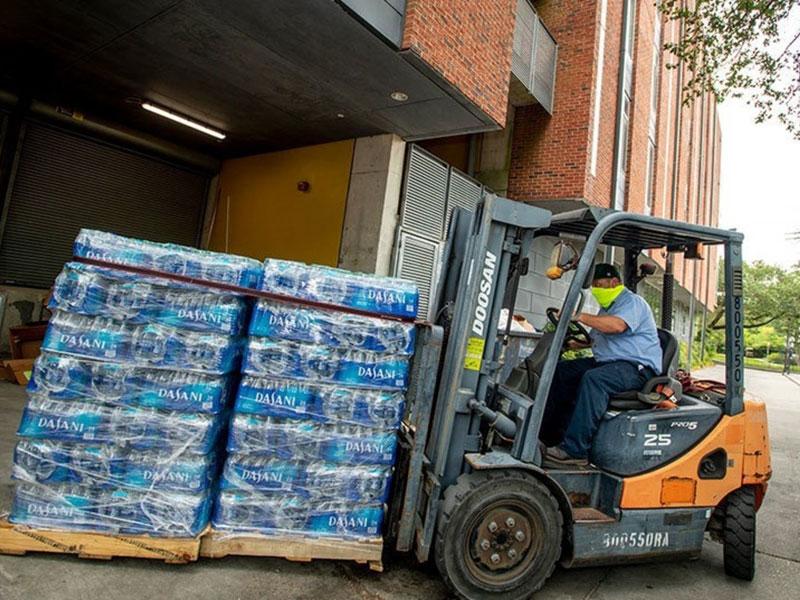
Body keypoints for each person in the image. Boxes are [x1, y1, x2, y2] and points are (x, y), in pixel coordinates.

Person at [541, 263, 663, 467]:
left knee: (594, 380)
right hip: (610, 363)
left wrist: (580, 316)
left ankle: (575, 451)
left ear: (614, 282)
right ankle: (549, 436)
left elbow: (617, 326)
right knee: (562, 371)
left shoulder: (633, 302)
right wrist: (574, 343)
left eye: (599, 284)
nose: (595, 290)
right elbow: (597, 338)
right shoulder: (608, 307)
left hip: (636, 368)